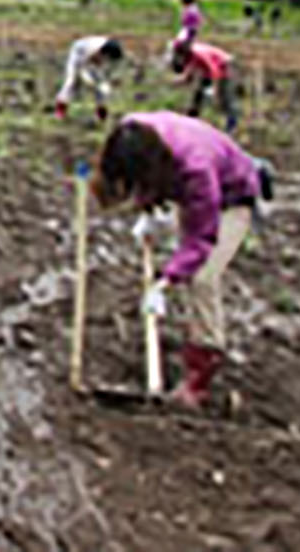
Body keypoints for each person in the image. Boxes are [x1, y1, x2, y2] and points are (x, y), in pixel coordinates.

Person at [94, 111, 270, 408]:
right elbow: (140, 177)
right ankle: (190, 343)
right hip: (186, 177)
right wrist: (147, 208)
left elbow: (201, 238)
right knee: (188, 268)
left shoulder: (196, 171)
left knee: (202, 277)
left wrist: (165, 282)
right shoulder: (130, 131)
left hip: (231, 198)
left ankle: (202, 368)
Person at [54, 36, 125, 121]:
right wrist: (90, 83)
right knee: (71, 82)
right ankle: (60, 111)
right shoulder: (91, 47)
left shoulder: (110, 49)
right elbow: (81, 69)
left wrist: (106, 83)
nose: (107, 58)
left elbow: (103, 68)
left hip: (92, 58)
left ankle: (102, 115)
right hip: (78, 55)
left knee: (101, 87)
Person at [172, 39, 238, 131]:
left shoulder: (198, 53)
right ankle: (192, 119)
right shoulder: (188, 56)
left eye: (179, 52)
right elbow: (189, 75)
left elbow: (214, 70)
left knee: (224, 96)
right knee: (199, 93)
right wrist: (178, 81)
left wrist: (216, 91)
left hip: (224, 64)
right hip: (209, 69)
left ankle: (232, 124)